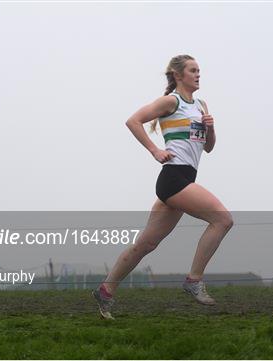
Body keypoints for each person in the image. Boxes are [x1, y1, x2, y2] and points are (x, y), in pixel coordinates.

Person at [93, 55, 234, 319]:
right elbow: (133, 120)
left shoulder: (201, 105)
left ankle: (105, 290)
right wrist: (155, 150)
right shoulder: (172, 101)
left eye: (199, 70)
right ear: (178, 75)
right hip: (174, 179)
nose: (198, 74)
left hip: (183, 181)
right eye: (193, 70)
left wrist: (211, 130)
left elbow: (209, 148)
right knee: (223, 220)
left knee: (145, 244)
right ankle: (194, 280)